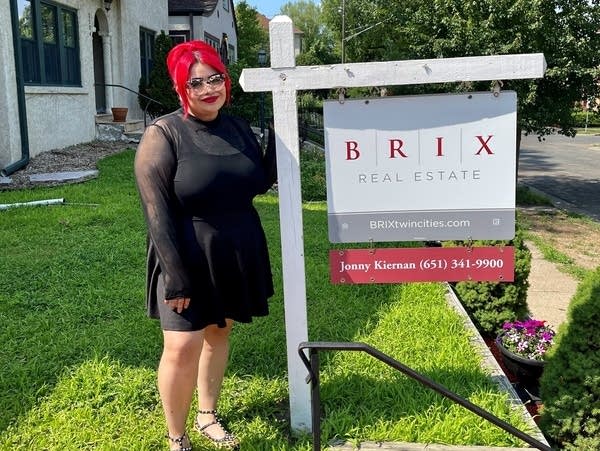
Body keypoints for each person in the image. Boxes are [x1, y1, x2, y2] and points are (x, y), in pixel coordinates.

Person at [134, 40, 276, 451]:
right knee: (182, 345)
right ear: (182, 89)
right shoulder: (163, 135)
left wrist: (280, 139)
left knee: (219, 331)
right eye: (196, 83)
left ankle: (207, 415)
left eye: (215, 78)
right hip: (185, 251)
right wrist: (175, 278)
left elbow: (255, 182)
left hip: (234, 248)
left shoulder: (238, 128)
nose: (208, 88)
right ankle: (176, 437)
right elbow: (155, 210)